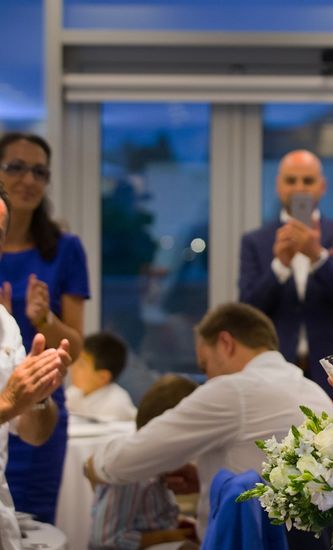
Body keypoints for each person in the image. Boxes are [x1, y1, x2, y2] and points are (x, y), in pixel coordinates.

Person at [85, 302, 333, 540]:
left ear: (226, 343)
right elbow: (267, 472)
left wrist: (93, 465)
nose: (208, 377)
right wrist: (202, 478)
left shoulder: (234, 391)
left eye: (205, 365)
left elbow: (127, 460)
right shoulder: (314, 392)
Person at [0, 132, 90, 523]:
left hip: (40, 406)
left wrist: (43, 321)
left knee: (32, 525)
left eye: (39, 171)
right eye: (15, 167)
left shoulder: (65, 249)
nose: (28, 179)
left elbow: (76, 347)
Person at [238, 150, 333, 392]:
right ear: (278, 185)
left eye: (307, 181)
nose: (299, 188)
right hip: (275, 369)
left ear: (322, 186)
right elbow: (248, 308)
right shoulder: (256, 241)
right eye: (291, 180)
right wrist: (280, 266)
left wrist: (318, 256)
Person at [0, 186, 71, 550]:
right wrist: (10, 404)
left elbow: (34, 434)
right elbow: (8, 408)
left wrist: (39, 397)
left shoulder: (5, 324)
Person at [89, 374, 200, 550]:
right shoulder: (133, 472)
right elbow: (104, 539)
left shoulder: (160, 468)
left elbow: (148, 519)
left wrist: (179, 524)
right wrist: (169, 536)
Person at [66, 332, 137, 422]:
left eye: (81, 365)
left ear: (103, 377)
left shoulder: (116, 403)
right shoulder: (72, 393)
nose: (74, 368)